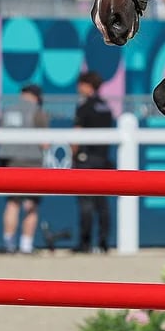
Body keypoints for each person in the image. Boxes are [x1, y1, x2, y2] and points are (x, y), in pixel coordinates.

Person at [0, 84, 49, 254]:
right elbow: (45, 143)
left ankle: (8, 244)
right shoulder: (38, 112)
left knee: (13, 203)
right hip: (32, 162)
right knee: (31, 204)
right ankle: (26, 245)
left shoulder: (7, 110)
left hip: (11, 162)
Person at [71, 71, 115, 253]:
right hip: (103, 159)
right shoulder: (106, 107)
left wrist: (74, 155)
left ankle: (85, 243)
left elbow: (76, 136)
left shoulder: (84, 107)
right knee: (102, 204)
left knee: (86, 204)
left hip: (86, 160)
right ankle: (104, 243)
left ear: (87, 85)